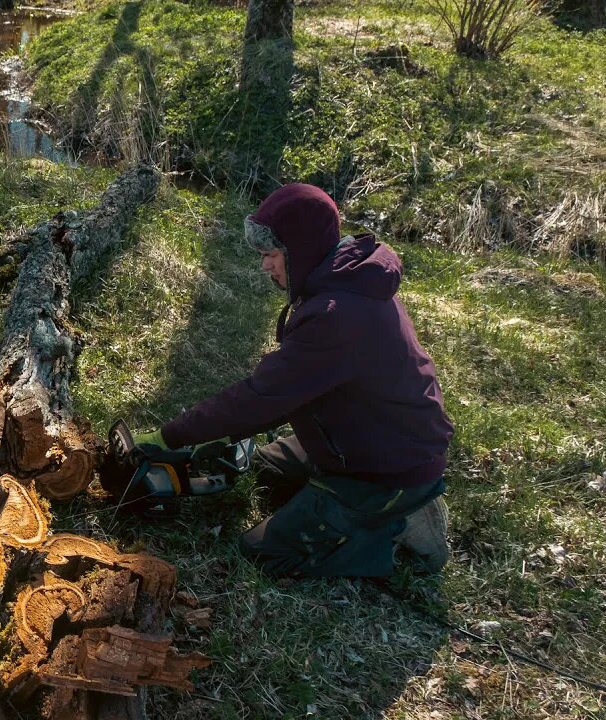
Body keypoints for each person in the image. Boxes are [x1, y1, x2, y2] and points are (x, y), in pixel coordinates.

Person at [133, 183, 453, 577]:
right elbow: (286, 390)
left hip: (389, 465)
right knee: (265, 471)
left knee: (265, 553)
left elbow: (262, 396)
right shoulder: (345, 278)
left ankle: (395, 527)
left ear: (299, 251)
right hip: (362, 437)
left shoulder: (338, 315)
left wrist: (171, 435)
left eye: (271, 255)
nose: (265, 266)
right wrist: (219, 431)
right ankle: (345, 498)